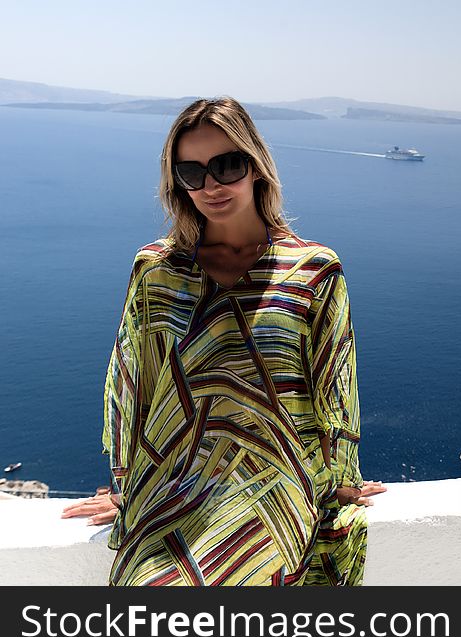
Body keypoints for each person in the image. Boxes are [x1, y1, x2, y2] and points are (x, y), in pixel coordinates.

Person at [62, 96, 385, 585]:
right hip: (170, 482)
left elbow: (332, 386)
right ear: (178, 185)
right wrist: (124, 484)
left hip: (273, 488)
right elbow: (132, 383)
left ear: (256, 167)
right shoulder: (156, 270)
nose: (211, 185)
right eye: (191, 173)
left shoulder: (314, 269)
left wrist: (341, 479)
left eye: (227, 166)